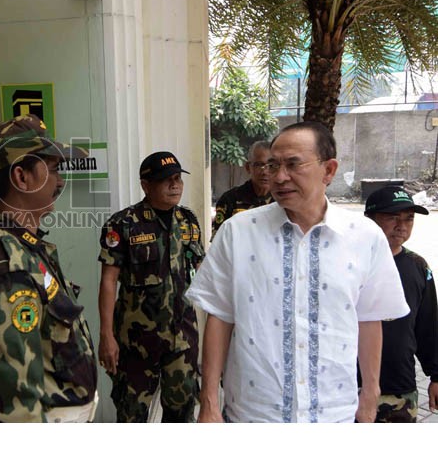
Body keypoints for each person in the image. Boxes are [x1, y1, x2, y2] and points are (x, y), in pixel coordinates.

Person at [186, 121, 409, 423]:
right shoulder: (237, 232)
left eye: (293, 165)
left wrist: (369, 396)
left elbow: (369, 320)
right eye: (273, 165)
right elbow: (220, 318)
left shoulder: (364, 236)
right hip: (255, 414)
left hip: (333, 414)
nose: (279, 177)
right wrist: (209, 403)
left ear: (329, 170)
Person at [0, 114, 98, 422]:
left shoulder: (25, 248)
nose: (60, 180)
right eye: (52, 169)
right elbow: (16, 409)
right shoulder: (5, 266)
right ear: (22, 177)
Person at [97, 151, 204, 422]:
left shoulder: (188, 221)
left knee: (180, 415)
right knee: (132, 416)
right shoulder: (123, 224)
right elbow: (108, 281)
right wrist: (106, 335)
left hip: (181, 337)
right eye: (166, 180)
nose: (175, 185)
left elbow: (201, 272)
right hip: (136, 342)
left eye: (178, 178)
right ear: (146, 185)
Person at [362, 185, 438, 422]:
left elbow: (428, 325)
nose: (402, 226)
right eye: (392, 217)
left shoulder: (417, 266)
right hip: (347, 387)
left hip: (399, 389)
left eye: (409, 219)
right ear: (369, 220)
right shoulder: (350, 262)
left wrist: (436, 375)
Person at [212, 140, 273, 238]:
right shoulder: (230, 199)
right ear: (248, 167)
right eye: (258, 165)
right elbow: (219, 241)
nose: (265, 172)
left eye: (270, 166)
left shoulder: (282, 200)